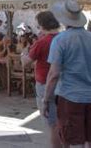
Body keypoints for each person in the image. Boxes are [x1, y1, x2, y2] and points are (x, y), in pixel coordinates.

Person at [44, 1, 91, 148]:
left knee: (72, 140)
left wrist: (46, 99)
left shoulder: (60, 40)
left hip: (70, 96)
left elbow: (54, 74)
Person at [26, 11, 61, 148]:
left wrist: (25, 52)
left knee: (52, 124)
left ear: (42, 25)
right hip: (63, 84)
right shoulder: (62, 38)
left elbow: (26, 62)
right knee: (61, 121)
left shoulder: (42, 42)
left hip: (46, 84)